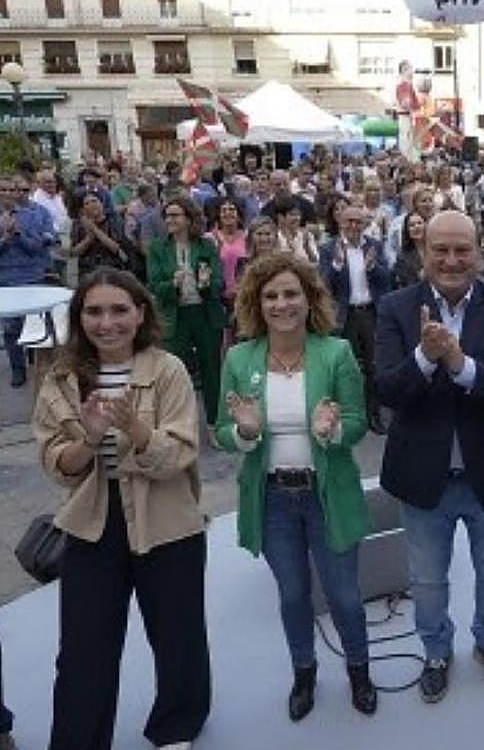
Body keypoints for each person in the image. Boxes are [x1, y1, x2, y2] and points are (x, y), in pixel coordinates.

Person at [32, 269, 210, 750]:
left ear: (140, 313)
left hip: (167, 518)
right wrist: (90, 439)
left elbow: (178, 455)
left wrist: (135, 429)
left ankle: (177, 727)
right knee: (83, 649)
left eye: (119, 310)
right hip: (93, 521)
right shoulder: (60, 380)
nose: (106, 322)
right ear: (78, 318)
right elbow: (57, 464)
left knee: (177, 634)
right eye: (93, 311)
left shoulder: (168, 370)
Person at [374, 210, 484, 704]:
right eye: (440, 250)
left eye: (462, 249)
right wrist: (424, 357)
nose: (451, 260)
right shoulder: (396, 308)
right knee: (426, 582)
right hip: (424, 479)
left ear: (479, 254)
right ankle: (436, 652)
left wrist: (461, 365)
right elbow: (386, 390)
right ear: (423, 254)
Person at [215, 252, 378, 721]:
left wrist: (332, 430)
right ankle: (304, 672)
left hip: (328, 495)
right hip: (272, 499)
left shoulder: (336, 352)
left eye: (291, 293)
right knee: (292, 596)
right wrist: (245, 431)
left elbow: (357, 422)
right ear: (256, 303)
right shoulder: (239, 358)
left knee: (344, 596)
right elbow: (223, 431)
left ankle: (359, 670)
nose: (281, 304)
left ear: (309, 300)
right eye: (270, 295)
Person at [146, 197, 225, 442]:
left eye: (175, 215)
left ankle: (214, 424)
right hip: (175, 316)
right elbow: (154, 285)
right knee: (174, 372)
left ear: (189, 219)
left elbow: (219, 281)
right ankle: (176, 427)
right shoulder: (158, 248)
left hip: (204, 313)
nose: (169, 220)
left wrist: (206, 283)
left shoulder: (206, 245)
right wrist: (172, 284)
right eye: (167, 215)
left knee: (212, 371)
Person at [318, 204, 391, 434]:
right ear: (340, 222)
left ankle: (373, 415)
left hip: (369, 313)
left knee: (373, 365)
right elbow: (323, 283)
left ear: (365, 224)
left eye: (358, 222)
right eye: (349, 221)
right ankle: (346, 415)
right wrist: (337, 264)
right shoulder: (329, 248)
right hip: (345, 315)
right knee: (344, 367)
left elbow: (387, 279)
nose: (353, 226)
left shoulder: (375, 246)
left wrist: (373, 267)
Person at [1, 173, 57, 386]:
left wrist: (17, 235)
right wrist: (5, 238)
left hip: (33, 275)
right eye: (5, 190)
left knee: (36, 324)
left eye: (14, 190)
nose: (11, 194)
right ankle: (17, 368)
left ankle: (38, 362)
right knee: (10, 327)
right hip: (5, 278)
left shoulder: (34, 214)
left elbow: (39, 247)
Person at [275, 197, 319, 265]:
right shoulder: (275, 237)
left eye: (298, 215)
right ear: (281, 217)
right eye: (292, 214)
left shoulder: (307, 235)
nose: (297, 218)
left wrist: (307, 248)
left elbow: (316, 262)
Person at [392, 211, 426, 289]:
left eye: (419, 223)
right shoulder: (402, 256)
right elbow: (406, 283)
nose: (416, 227)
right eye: (412, 225)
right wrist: (420, 277)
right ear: (407, 231)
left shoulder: (435, 249)